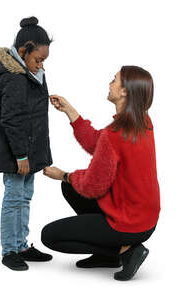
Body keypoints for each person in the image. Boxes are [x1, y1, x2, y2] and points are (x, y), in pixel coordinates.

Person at [41, 66, 161, 281]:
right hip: (146, 218)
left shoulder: (115, 133)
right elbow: (99, 143)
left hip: (129, 224)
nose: (110, 84)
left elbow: (92, 186)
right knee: (70, 188)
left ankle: (126, 251)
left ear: (125, 91)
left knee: (49, 236)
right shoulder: (143, 121)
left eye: (114, 80)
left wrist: (63, 174)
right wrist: (70, 111)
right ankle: (107, 256)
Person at [0, 16, 53, 271]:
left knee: (25, 197)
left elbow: (32, 114)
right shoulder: (14, 78)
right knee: (14, 197)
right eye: (38, 59)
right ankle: (9, 250)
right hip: (16, 152)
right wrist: (21, 156)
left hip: (29, 149)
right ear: (24, 50)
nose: (41, 65)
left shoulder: (30, 73)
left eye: (44, 61)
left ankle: (22, 244)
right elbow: (13, 119)